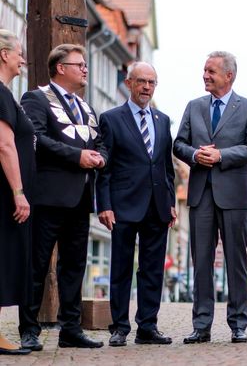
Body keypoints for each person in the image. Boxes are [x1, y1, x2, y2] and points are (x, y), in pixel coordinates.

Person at [18, 44, 107, 350]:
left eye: (85, 64)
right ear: (60, 67)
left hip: (81, 198)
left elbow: (101, 142)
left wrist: (100, 158)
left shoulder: (86, 107)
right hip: (48, 197)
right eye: (79, 64)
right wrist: (77, 156)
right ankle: (28, 330)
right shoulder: (36, 98)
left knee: (74, 267)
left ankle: (71, 329)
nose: (85, 68)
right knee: (37, 265)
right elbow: (36, 139)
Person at [174, 51, 247, 344]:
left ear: (229, 76)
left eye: (211, 71)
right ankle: (201, 325)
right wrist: (195, 155)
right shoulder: (193, 106)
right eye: (204, 70)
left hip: (235, 196)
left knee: (235, 261)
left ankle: (238, 324)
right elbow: (179, 144)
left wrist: (221, 155)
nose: (205, 75)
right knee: (200, 262)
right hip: (201, 194)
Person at [96, 61, 176, 346]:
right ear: (129, 83)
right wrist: (103, 205)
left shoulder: (163, 120)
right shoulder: (111, 118)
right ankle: (119, 327)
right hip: (123, 206)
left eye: (151, 83)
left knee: (153, 269)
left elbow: (167, 167)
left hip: (157, 206)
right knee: (120, 268)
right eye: (141, 81)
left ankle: (148, 327)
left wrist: (171, 202)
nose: (146, 87)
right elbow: (104, 169)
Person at [0, 29, 34, 356]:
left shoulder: (6, 92)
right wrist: (19, 192)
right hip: (5, 193)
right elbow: (5, 145)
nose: (23, 59)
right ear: (4, 55)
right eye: (19, 53)